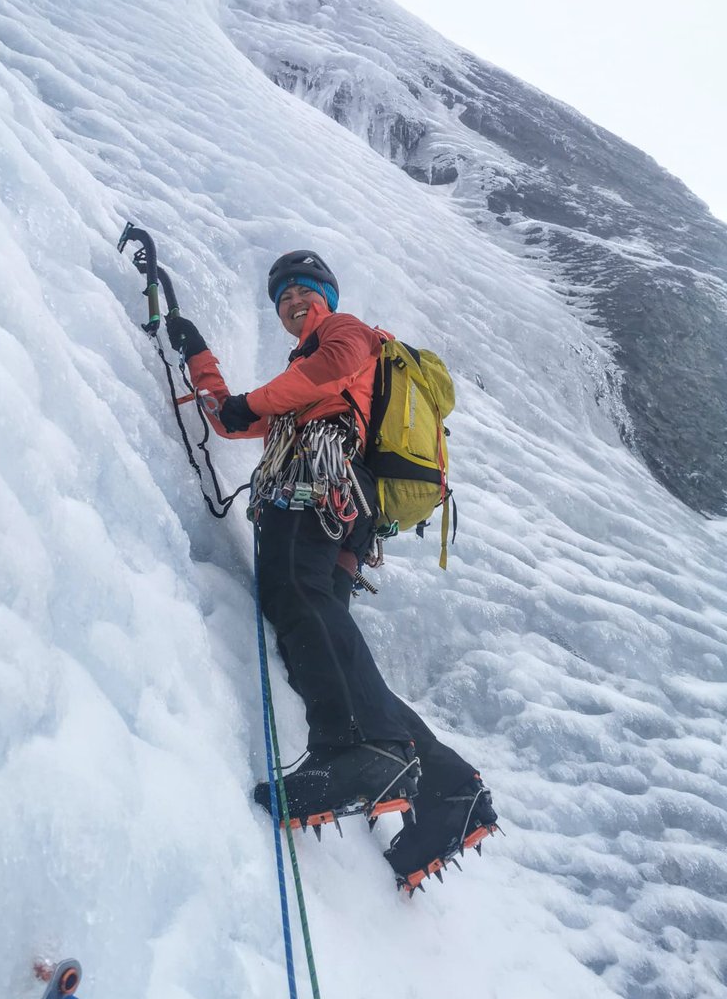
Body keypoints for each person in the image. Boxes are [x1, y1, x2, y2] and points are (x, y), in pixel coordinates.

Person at [166, 250, 497, 888]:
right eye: (284, 296)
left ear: (327, 296)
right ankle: (448, 791)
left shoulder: (346, 336)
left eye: (304, 290)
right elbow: (241, 418)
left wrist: (251, 401)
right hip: (347, 504)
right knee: (324, 635)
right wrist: (201, 360)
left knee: (296, 593)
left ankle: (357, 748)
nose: (292, 302)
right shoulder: (305, 375)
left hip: (323, 479)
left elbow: (322, 372)